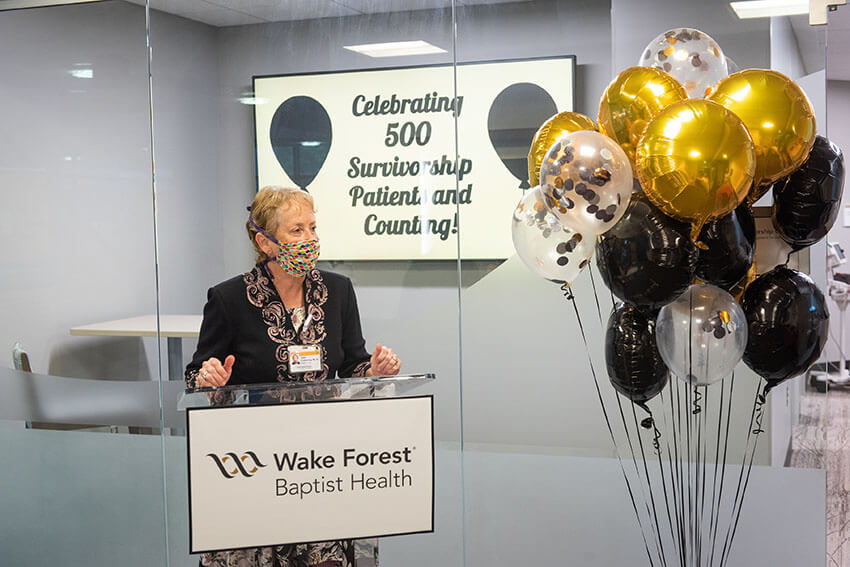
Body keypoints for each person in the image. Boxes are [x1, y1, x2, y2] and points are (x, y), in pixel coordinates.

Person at [186, 186, 400, 567]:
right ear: (265, 241)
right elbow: (196, 374)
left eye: (313, 228)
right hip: (255, 465)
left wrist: (374, 371)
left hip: (322, 460)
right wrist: (210, 378)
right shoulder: (229, 299)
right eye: (296, 231)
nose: (310, 240)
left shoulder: (337, 290)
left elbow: (352, 363)